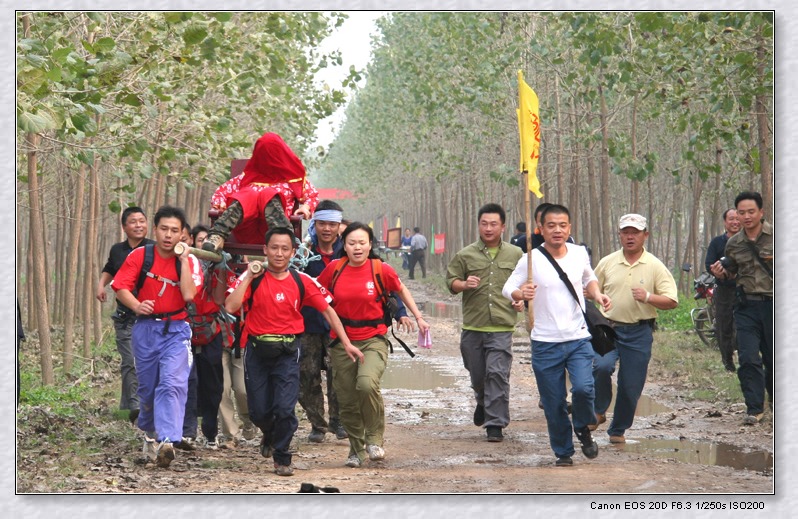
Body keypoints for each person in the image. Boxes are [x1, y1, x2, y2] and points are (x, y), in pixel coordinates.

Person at [224, 227, 359, 477]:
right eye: (274, 248)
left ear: (293, 252)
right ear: (265, 250)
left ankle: (283, 456)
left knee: (285, 409)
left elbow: (329, 311)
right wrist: (248, 278)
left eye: (285, 249)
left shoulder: (302, 280)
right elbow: (231, 306)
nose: (279, 253)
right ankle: (269, 434)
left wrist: (347, 342)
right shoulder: (252, 278)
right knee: (258, 411)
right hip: (256, 351)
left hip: (288, 352)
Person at [503, 204, 610, 466]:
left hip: (577, 337)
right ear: (541, 228)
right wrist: (522, 294)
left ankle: (583, 428)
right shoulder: (531, 259)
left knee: (584, 389)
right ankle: (563, 451)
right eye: (551, 225)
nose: (557, 230)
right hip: (545, 342)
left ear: (570, 228)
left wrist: (597, 294)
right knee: (553, 403)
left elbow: (589, 278)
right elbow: (508, 288)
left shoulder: (578, 253)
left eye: (563, 225)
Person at [316, 222, 430, 468]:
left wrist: (416, 317)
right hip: (341, 343)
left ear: (370, 245)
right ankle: (355, 450)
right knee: (346, 398)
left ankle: (374, 438)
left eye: (362, 242)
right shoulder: (334, 270)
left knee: (367, 384)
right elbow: (315, 294)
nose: (357, 247)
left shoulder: (381, 269)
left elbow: (400, 289)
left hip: (373, 339)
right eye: (351, 243)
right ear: (343, 245)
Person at [112, 205, 203, 468]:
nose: (168, 235)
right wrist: (136, 305)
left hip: (176, 329)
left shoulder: (191, 260)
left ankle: (167, 441)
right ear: (155, 229)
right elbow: (120, 287)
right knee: (148, 389)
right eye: (164, 229)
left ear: (182, 234)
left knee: (172, 383)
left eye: (175, 231)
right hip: (145, 330)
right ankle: (150, 433)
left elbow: (188, 294)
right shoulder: (141, 255)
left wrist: (184, 260)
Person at [591, 214, 678, 444]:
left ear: (645, 235)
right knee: (600, 366)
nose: (630, 237)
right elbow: (589, 289)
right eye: (625, 232)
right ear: (619, 234)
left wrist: (648, 297)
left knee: (630, 386)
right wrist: (597, 296)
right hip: (608, 328)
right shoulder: (607, 262)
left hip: (639, 332)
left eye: (635, 232)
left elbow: (672, 300)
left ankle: (617, 429)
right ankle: (598, 410)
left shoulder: (654, 266)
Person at [446, 203, 523, 442]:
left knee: (497, 374)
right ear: (478, 225)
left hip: (501, 326)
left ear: (503, 227)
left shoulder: (516, 255)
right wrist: (463, 284)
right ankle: (482, 399)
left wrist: (521, 301)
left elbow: (523, 287)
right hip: (473, 327)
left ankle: (495, 424)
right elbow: (451, 282)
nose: (488, 228)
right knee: (478, 375)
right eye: (484, 223)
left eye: (493, 224)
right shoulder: (465, 254)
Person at [710, 191, 773, 425]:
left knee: (772, 358)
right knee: (747, 357)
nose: (746, 217)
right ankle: (754, 408)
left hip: (774, 307)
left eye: (751, 212)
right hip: (746, 306)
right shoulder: (733, 243)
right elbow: (733, 272)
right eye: (741, 212)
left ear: (761, 212)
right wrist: (722, 273)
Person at [203, 132, 319, 252]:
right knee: (249, 194)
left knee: (268, 193)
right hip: (246, 229)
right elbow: (220, 192)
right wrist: (221, 204)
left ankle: (285, 238)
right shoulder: (245, 178)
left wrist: (306, 207)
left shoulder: (291, 180)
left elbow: (313, 195)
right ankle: (217, 235)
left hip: (276, 234)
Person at [96, 206, 155, 424]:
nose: (138, 225)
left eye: (142, 221)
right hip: (125, 316)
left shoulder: (154, 249)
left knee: (146, 362)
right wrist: (101, 285)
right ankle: (133, 408)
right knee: (130, 361)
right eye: (133, 221)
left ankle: (143, 405)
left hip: (150, 316)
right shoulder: (117, 250)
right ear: (124, 227)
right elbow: (109, 268)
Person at [298, 200, 348, 443]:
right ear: (314, 224)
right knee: (306, 376)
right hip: (307, 323)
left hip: (339, 325)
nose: (326, 229)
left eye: (332, 224)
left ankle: (339, 422)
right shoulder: (302, 252)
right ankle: (317, 425)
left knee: (339, 375)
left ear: (339, 225)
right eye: (322, 223)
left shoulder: (349, 250)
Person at [183, 224, 231, 450]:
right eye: (201, 240)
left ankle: (210, 433)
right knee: (187, 383)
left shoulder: (219, 267)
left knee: (213, 386)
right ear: (193, 241)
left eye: (209, 241)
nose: (204, 245)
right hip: (184, 331)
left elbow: (221, 300)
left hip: (210, 331)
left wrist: (219, 268)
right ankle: (187, 432)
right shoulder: (183, 263)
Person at [704, 209, 741, 372]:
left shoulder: (748, 241)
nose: (735, 222)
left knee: (744, 324)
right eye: (731, 219)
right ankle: (728, 361)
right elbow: (709, 264)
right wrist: (717, 272)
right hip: (724, 290)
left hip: (745, 289)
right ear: (725, 223)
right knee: (723, 325)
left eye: (737, 218)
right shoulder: (717, 242)